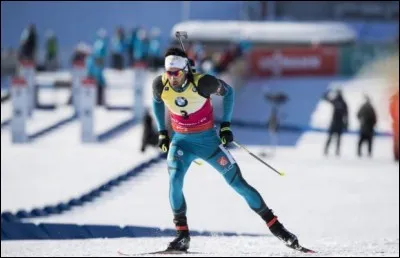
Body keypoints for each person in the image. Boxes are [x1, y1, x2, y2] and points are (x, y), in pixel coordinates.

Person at [152, 47, 304, 252]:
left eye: (176, 73)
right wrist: (162, 131)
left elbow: (229, 92)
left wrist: (225, 126)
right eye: (168, 73)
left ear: (185, 70)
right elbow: (156, 102)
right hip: (181, 143)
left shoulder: (203, 82)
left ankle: (279, 229)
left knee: (238, 184)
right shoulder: (160, 84)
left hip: (209, 144)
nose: (172, 78)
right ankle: (182, 236)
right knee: (175, 181)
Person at [322, 89, 348, 156]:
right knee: (336, 138)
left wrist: (326, 93)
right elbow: (346, 114)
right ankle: (333, 151)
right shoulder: (342, 102)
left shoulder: (337, 101)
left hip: (336, 123)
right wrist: (346, 124)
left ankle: (330, 150)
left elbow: (325, 98)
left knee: (333, 138)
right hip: (338, 123)